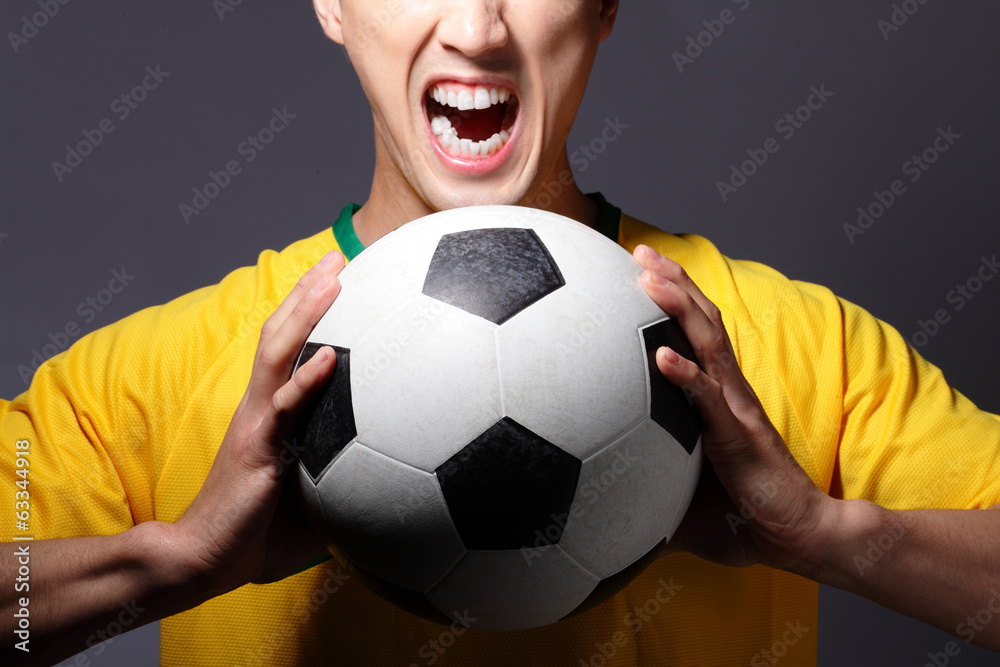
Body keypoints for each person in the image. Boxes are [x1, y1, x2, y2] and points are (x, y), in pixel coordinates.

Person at [3, 1, 1000, 665]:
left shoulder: (790, 344)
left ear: (604, 6)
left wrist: (824, 536)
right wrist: (170, 563)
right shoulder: (155, 373)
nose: (477, 29)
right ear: (334, 5)